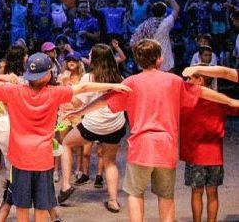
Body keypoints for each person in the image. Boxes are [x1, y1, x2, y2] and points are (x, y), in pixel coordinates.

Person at [0, 53, 132, 222]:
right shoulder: (55, 93)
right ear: (47, 75)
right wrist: (114, 85)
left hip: (19, 161)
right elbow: (84, 88)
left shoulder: (14, 91)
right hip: (43, 161)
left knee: (22, 208)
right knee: (42, 208)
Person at [69, 39, 239, 222]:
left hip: (140, 148)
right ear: (160, 59)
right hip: (166, 149)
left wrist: (80, 111)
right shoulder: (173, 81)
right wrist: (230, 101)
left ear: (138, 59)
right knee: (166, 197)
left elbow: (105, 99)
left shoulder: (131, 82)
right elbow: (201, 91)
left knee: (135, 194)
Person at [58, 44, 127, 213]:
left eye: (90, 54)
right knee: (110, 162)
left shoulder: (89, 78)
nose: (88, 55)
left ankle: (66, 185)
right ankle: (113, 201)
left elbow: (78, 103)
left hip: (94, 125)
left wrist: (68, 88)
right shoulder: (120, 78)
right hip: (115, 125)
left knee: (66, 143)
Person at [180, 66, 238, 222]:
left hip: (194, 155)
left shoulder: (185, 101)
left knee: (196, 193)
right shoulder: (221, 100)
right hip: (215, 155)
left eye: (190, 78)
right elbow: (235, 107)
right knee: (213, 194)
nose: (187, 81)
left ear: (200, 80)